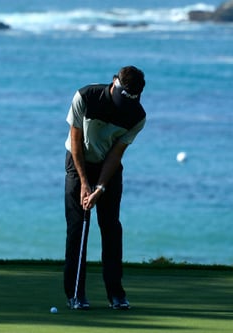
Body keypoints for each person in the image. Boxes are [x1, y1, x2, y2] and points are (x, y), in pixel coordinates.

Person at [63, 66, 146, 310]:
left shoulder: (137, 116)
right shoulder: (86, 97)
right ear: (114, 82)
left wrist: (100, 187)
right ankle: (75, 294)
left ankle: (116, 294)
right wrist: (84, 182)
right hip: (77, 163)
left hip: (108, 169)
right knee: (78, 227)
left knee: (110, 227)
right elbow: (76, 140)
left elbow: (116, 154)